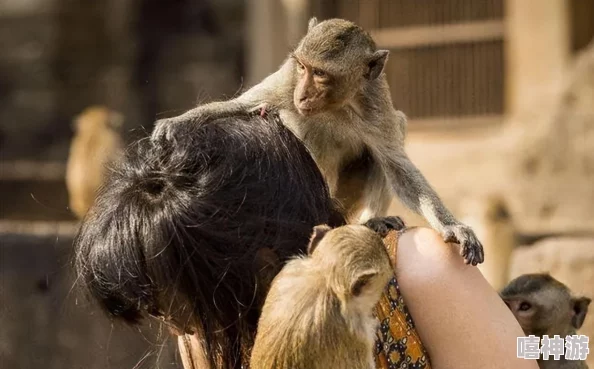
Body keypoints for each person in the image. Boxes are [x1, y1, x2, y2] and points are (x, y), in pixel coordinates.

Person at [74, 110, 537, 369]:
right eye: (157, 307)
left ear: (261, 262)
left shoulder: (421, 274)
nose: (172, 326)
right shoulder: (212, 330)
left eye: (172, 303)